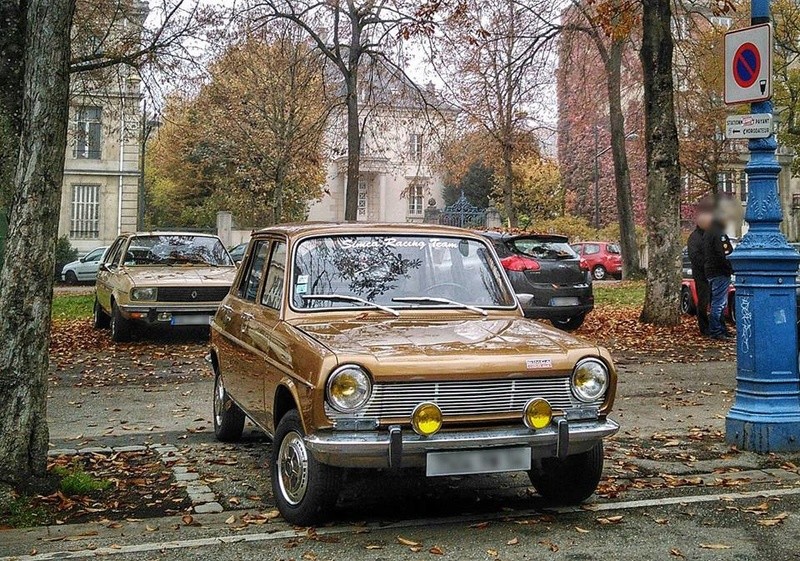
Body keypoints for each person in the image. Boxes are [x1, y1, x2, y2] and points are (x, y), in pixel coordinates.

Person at [703, 212, 734, 340]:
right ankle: (717, 331)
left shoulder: (707, 233)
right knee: (719, 303)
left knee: (716, 302)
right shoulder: (719, 234)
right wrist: (730, 268)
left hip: (710, 271)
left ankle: (720, 329)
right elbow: (724, 255)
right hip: (720, 271)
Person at [687, 210, 712, 335]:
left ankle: (712, 326)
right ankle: (704, 327)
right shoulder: (695, 238)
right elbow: (695, 257)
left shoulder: (706, 235)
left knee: (713, 300)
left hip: (709, 273)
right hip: (702, 275)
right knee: (703, 301)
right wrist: (707, 265)